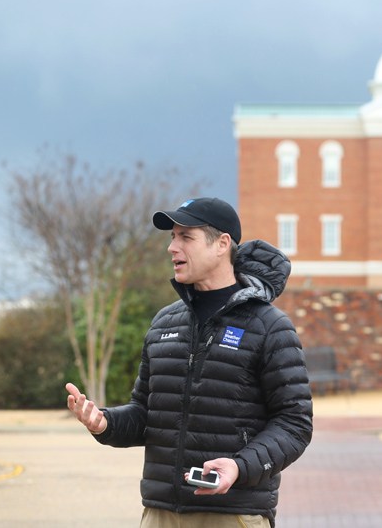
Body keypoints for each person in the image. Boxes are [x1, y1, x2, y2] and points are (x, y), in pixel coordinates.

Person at [66, 197, 313, 528]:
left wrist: (240, 467)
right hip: (160, 513)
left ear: (222, 244)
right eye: (172, 237)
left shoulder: (270, 326)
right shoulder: (164, 322)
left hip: (233, 513)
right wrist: (105, 423)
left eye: (186, 237)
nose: (172, 247)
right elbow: (146, 414)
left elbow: (294, 423)